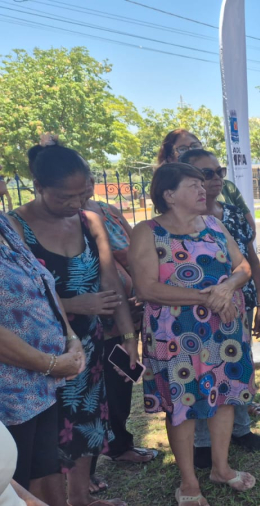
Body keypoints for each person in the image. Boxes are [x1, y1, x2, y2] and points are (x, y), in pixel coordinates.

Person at [8, 141, 137, 506]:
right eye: (66, 196)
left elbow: (111, 285)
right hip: (38, 355)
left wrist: (128, 337)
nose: (77, 203)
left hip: (89, 347)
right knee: (47, 442)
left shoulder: (89, 220)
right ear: (39, 186)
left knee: (86, 427)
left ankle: (82, 500)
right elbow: (19, 303)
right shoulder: (15, 228)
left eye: (84, 192)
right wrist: (74, 303)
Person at [130, 163, 256, 505]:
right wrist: (209, 298)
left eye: (203, 184)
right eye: (193, 185)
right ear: (169, 195)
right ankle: (188, 483)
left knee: (224, 396)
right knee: (181, 404)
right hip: (174, 335)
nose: (204, 190)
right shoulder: (148, 231)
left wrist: (228, 287)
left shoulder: (214, 224)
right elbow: (146, 287)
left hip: (223, 330)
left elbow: (242, 266)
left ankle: (221, 468)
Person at [178, 149, 260, 467]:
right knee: (201, 374)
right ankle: (203, 443)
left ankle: (241, 430)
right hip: (192, 315)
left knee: (236, 370)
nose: (215, 179)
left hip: (234, 307)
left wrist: (259, 303)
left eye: (218, 171)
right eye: (206, 173)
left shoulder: (229, 214)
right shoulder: (175, 220)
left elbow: (249, 260)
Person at [1, 210, 86, 506]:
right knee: (12, 480)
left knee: (45, 471)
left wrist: (71, 339)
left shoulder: (5, 225)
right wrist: (50, 364)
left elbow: (43, 287)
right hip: (8, 393)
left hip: (39, 385)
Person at [81, 181, 158, 494]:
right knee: (88, 396)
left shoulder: (108, 211)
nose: (84, 185)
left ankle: (120, 444)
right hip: (91, 320)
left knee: (121, 382)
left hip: (128, 315)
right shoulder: (65, 220)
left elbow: (131, 247)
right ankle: (82, 471)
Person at [156, 129, 254, 230]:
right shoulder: (157, 227)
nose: (192, 151)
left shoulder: (228, 196)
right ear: (169, 158)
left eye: (195, 146)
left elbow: (249, 232)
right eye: (183, 149)